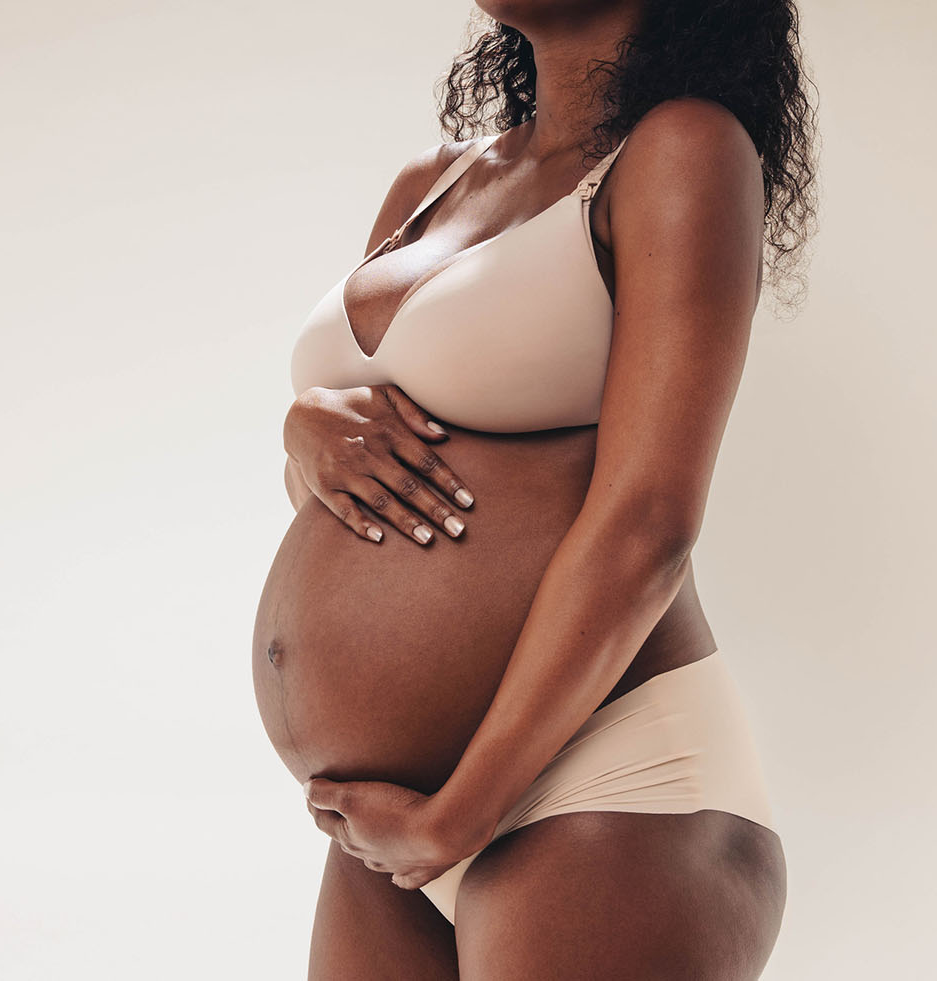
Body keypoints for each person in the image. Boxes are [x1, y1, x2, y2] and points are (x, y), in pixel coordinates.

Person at [249, 0, 819, 976]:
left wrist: (457, 816)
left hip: (606, 788)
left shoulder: (682, 149)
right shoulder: (434, 182)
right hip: (396, 821)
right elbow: (381, 439)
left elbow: (648, 523)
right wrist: (302, 432)